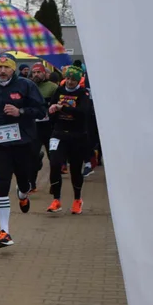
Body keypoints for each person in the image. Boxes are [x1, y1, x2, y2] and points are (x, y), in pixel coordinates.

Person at [0, 53, 46, 248]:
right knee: (2, 183)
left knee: (24, 181)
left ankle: (23, 194)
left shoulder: (26, 85)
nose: (3, 71)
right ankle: (4, 231)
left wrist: (20, 112)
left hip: (23, 142)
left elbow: (41, 110)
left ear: (13, 68)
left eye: (7, 67)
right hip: (0, 144)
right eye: (0, 67)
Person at [46, 65, 93, 215]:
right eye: (68, 78)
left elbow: (82, 112)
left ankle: (77, 199)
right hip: (58, 134)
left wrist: (62, 108)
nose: (70, 82)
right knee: (54, 163)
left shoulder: (83, 93)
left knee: (75, 169)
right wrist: (52, 109)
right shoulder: (59, 91)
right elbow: (52, 107)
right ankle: (56, 199)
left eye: (73, 79)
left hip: (77, 136)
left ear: (78, 80)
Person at [28, 63, 59, 193]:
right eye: (34, 72)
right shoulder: (28, 86)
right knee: (31, 156)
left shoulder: (53, 87)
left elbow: (58, 104)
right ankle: (31, 183)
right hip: (33, 127)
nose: (36, 75)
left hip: (49, 127)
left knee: (54, 157)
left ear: (44, 73)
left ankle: (55, 184)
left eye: (38, 72)